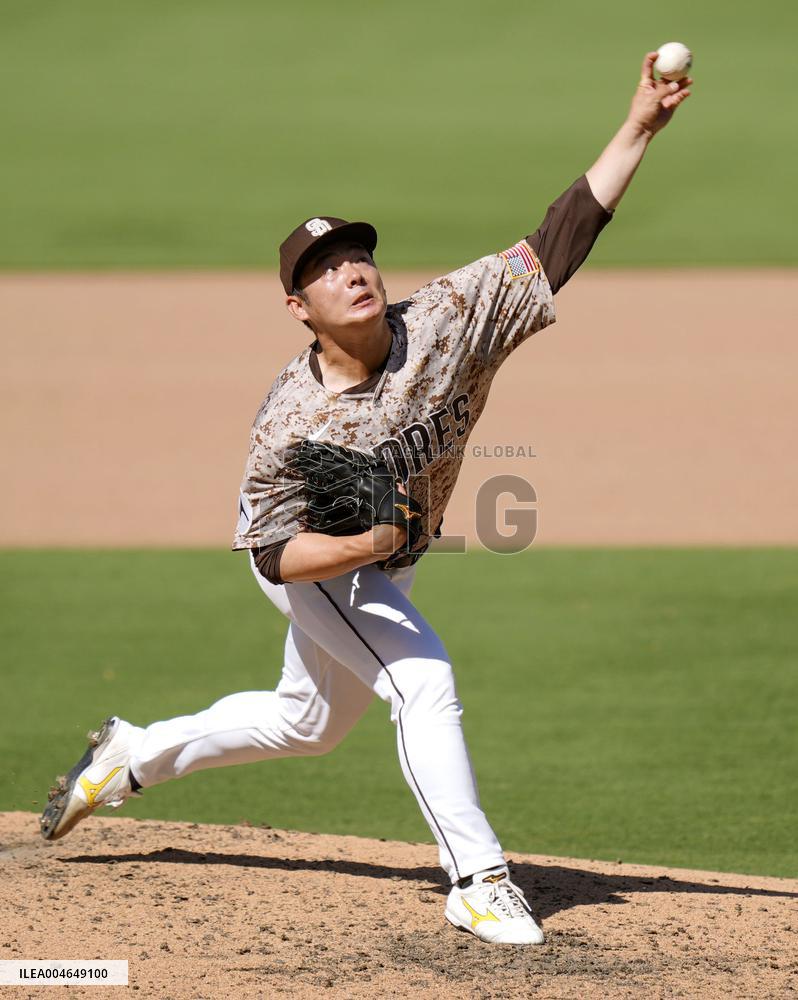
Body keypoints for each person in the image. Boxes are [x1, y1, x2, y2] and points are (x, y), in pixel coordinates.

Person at [41, 54, 691, 946]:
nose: (352, 271)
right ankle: (478, 880)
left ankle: (131, 755)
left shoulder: (447, 321)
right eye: (327, 267)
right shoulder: (291, 422)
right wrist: (367, 547)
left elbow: (560, 238)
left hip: (383, 554)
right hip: (316, 559)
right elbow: (275, 554)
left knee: (306, 722)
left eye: (358, 255)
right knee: (422, 678)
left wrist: (640, 128)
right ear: (298, 307)